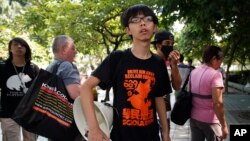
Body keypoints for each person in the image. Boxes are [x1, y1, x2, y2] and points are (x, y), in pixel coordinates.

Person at [80, 4, 172, 141]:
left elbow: (159, 98)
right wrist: (94, 129)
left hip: (151, 136)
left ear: (155, 27)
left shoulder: (158, 63)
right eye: (135, 20)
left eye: (147, 19)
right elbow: (86, 87)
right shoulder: (118, 58)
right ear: (128, 30)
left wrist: (165, 133)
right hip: (121, 136)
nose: (142, 23)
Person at [0, 37, 39, 141]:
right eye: (15, 44)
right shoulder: (2, 67)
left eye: (22, 45)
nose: (19, 46)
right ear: (10, 49)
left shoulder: (33, 68)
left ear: (26, 49)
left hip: (29, 113)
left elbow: (39, 91)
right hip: (8, 113)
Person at [46, 35, 82, 140]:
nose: (76, 51)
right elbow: (76, 95)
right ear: (64, 49)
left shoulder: (50, 66)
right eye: (73, 48)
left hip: (53, 120)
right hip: (68, 123)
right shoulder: (66, 65)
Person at [190, 45, 229, 141]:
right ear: (214, 59)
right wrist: (224, 126)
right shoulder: (216, 74)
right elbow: (218, 103)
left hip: (194, 118)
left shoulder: (194, 72)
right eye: (220, 60)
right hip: (211, 121)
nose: (220, 64)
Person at [152, 30, 181, 133]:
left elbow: (177, 86)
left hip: (165, 111)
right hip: (150, 112)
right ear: (158, 45)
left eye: (172, 44)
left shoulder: (170, 63)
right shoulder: (149, 61)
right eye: (167, 43)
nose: (170, 46)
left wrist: (174, 65)